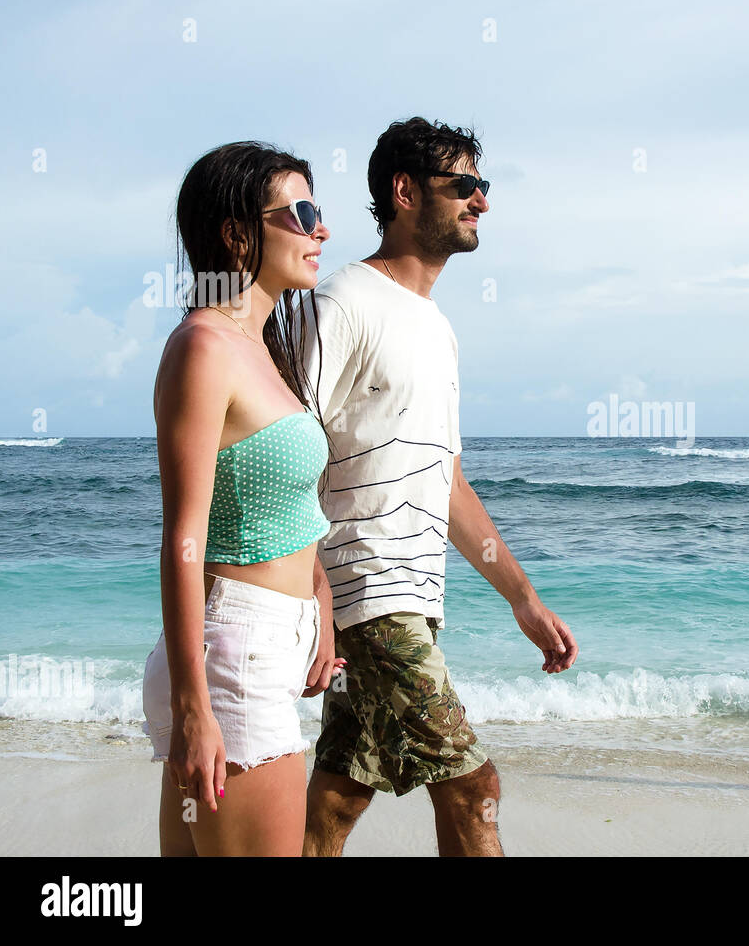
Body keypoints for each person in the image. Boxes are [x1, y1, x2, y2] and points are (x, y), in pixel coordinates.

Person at [298, 117, 579, 857]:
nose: (482, 201)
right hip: (367, 590)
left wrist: (522, 596)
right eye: (465, 186)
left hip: (412, 598)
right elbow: (288, 448)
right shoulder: (345, 301)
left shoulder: (437, 327)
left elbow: (445, 480)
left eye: (483, 187)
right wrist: (317, 596)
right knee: (472, 786)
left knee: (340, 794)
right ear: (403, 191)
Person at [142, 141, 341, 856]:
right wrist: (194, 708)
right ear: (236, 233)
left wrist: (317, 597)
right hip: (230, 660)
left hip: (257, 649)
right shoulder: (203, 347)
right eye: (303, 212)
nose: (321, 230)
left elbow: (273, 505)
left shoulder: (259, 348)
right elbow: (183, 537)